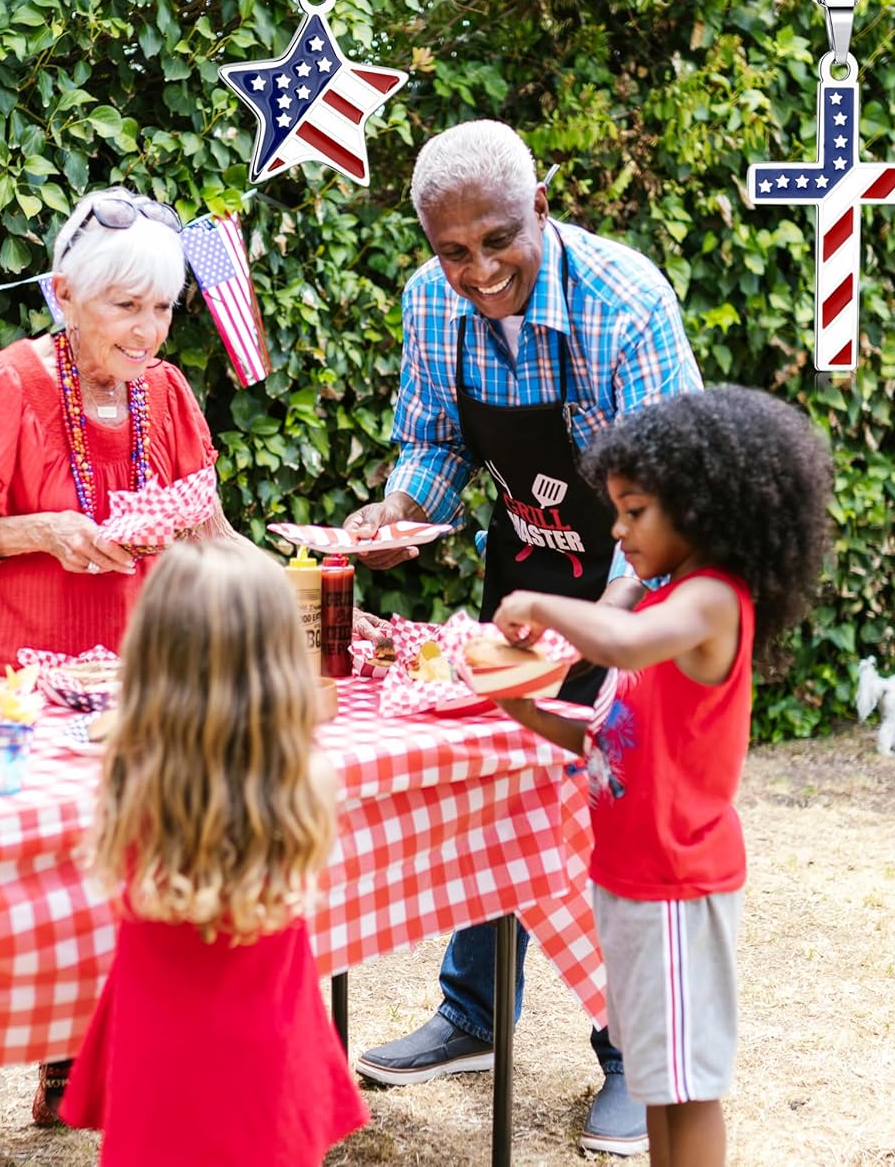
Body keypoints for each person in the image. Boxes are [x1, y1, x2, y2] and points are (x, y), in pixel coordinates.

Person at [344, 119, 701, 1155]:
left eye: (496, 239)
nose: (476, 270)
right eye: (450, 251)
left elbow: (669, 496)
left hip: (643, 574)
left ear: (539, 207)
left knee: (617, 806)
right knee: (502, 778)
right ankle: (472, 1012)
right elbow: (432, 441)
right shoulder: (428, 301)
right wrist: (395, 517)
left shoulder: (621, 302)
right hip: (529, 571)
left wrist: (607, 644)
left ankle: (637, 1058)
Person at [0, 187, 238, 1167]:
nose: (147, 329)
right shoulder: (4, 384)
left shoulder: (167, 395)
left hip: (130, 695)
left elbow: (207, 531)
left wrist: (305, 577)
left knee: (110, 878)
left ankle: (66, 1070)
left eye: (162, 308)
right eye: (123, 306)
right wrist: (22, 532)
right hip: (6, 696)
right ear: (62, 295)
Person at [483, 385, 833, 1167]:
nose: (616, 530)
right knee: (655, 1083)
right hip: (629, 878)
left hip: (679, 883)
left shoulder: (709, 601)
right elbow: (610, 735)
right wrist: (520, 707)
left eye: (633, 510)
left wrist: (541, 600)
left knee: (687, 1086)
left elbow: (623, 647)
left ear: (700, 507)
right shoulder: (669, 594)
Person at [60, 540, 370, 1164]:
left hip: (159, 1055)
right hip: (268, 1060)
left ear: (151, 656)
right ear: (281, 661)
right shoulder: (295, 783)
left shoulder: (130, 778)